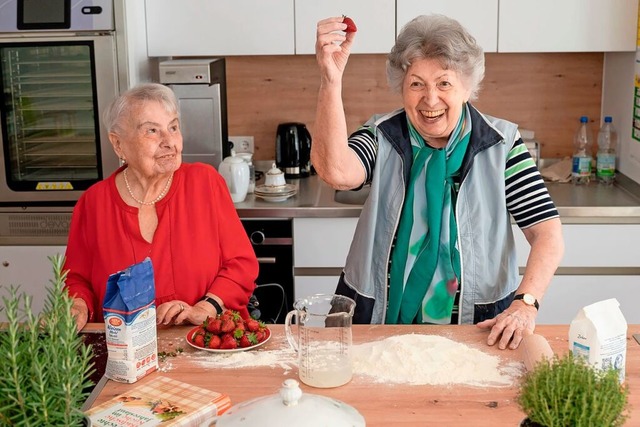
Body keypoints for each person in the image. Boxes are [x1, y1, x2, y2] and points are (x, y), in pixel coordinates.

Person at [312, 15, 564, 350]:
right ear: (402, 87)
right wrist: (331, 81)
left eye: (444, 83)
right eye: (416, 83)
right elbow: (337, 173)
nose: (430, 100)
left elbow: (547, 233)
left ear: (467, 88)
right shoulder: (383, 134)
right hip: (376, 325)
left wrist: (525, 304)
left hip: (477, 328)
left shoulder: (500, 144)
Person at [64, 83, 258, 330]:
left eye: (173, 127)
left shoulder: (205, 183)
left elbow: (241, 265)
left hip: (206, 343)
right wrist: (77, 306)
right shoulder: (94, 203)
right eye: (152, 131)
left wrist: (205, 308)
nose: (169, 141)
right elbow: (76, 279)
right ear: (118, 144)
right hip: (126, 353)